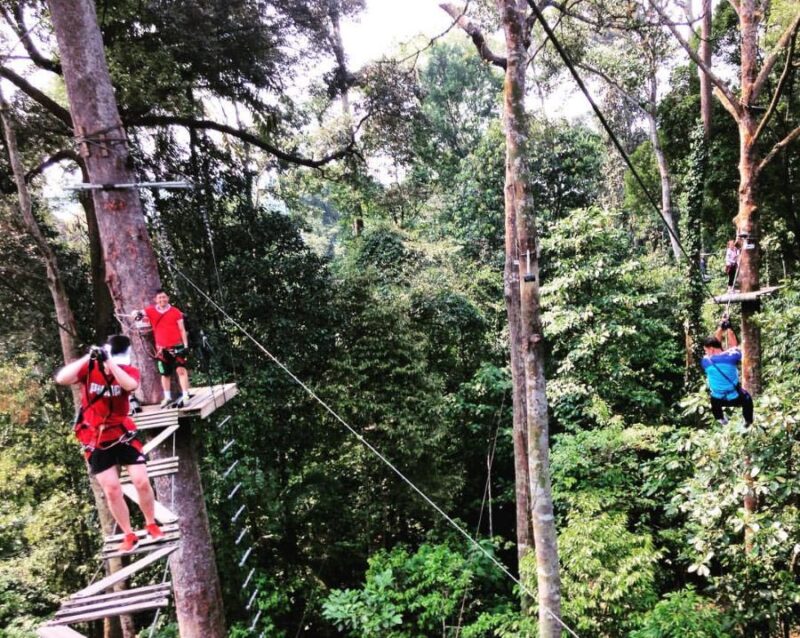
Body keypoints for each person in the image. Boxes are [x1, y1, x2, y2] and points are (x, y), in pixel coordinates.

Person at [55, 335, 164, 552]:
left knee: (141, 481)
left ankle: (151, 524)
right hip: (95, 437)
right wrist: (89, 356)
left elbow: (131, 385)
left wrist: (111, 363)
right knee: (112, 489)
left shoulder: (126, 370)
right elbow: (62, 379)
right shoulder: (89, 368)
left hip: (122, 433)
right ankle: (129, 534)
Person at [136, 289, 191, 408]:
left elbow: (182, 329)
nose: (162, 300)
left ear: (168, 298)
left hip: (177, 345)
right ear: (156, 300)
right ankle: (167, 397)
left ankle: (186, 394)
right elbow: (137, 313)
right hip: (161, 348)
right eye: (160, 298)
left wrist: (185, 345)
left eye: (164, 297)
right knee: (165, 373)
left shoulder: (175, 311)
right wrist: (137, 314)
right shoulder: (150, 311)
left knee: (181, 370)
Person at [700, 318, 754, 427]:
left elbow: (715, 342)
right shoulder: (731, 357)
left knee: (714, 403)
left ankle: (720, 418)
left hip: (718, 399)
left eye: (706, 350)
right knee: (748, 400)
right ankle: (747, 420)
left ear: (710, 349)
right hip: (736, 397)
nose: (705, 353)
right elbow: (733, 344)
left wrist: (721, 327)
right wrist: (728, 328)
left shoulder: (706, 361)